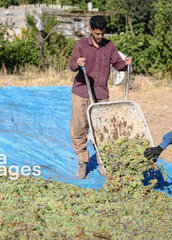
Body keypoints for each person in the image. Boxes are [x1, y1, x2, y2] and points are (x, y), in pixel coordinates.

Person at [69, 15, 132, 179]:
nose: (100, 37)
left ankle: (102, 161)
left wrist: (125, 63)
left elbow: (117, 64)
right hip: (82, 92)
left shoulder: (110, 46)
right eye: (97, 33)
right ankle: (82, 162)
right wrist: (78, 63)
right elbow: (71, 65)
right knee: (79, 128)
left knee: (102, 129)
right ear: (90, 30)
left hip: (101, 94)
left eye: (102, 33)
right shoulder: (81, 45)